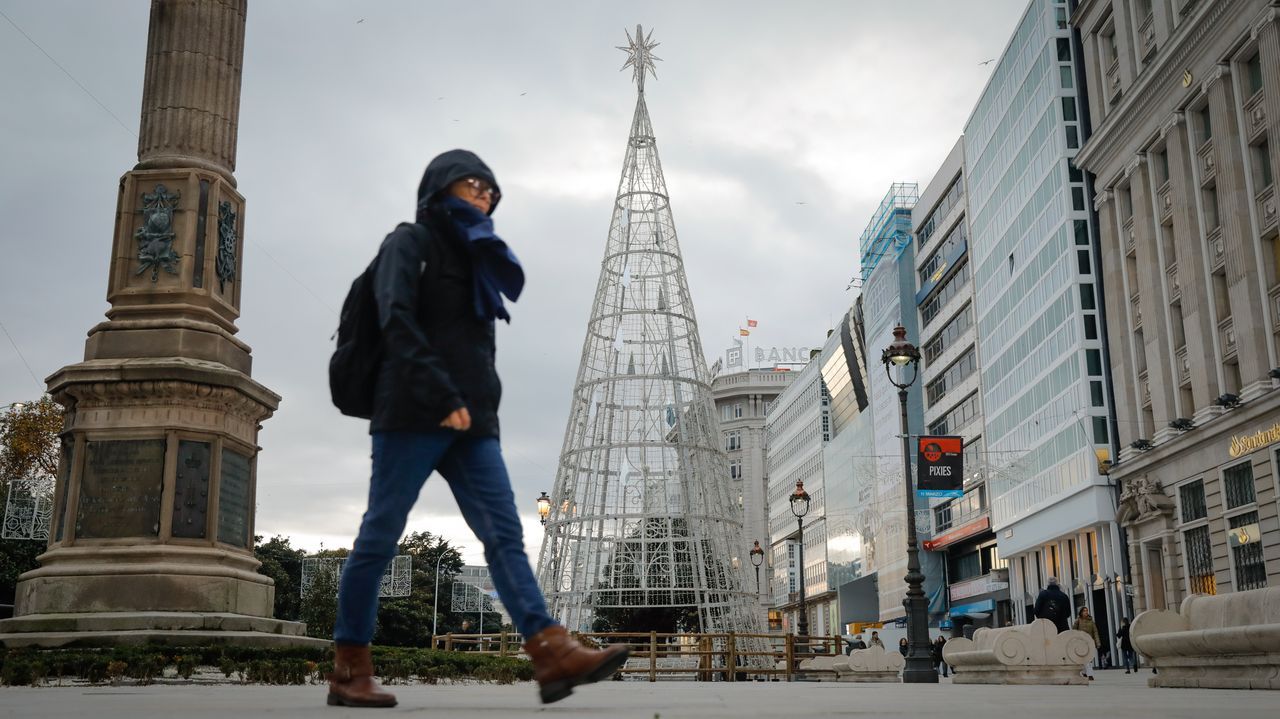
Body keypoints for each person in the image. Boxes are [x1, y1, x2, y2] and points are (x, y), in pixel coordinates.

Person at [326, 150, 629, 708]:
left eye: (491, 190)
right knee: (380, 536)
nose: (485, 196)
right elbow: (396, 318)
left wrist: (480, 402)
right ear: (439, 189)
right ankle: (350, 668)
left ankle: (550, 652)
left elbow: (470, 345)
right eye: (473, 185)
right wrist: (442, 394)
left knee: (504, 536)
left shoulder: (477, 255)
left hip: (473, 421)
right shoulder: (408, 243)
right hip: (414, 413)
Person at [1073, 606, 1101, 681]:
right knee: (1083, 659)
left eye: (1087, 610)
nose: (1086, 612)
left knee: (1089, 659)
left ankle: (1089, 674)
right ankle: (1086, 673)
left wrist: (1097, 643)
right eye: (1084, 611)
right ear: (1081, 612)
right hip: (1081, 643)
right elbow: (1074, 632)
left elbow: (1095, 632)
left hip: (1090, 642)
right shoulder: (1077, 621)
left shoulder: (1091, 621)